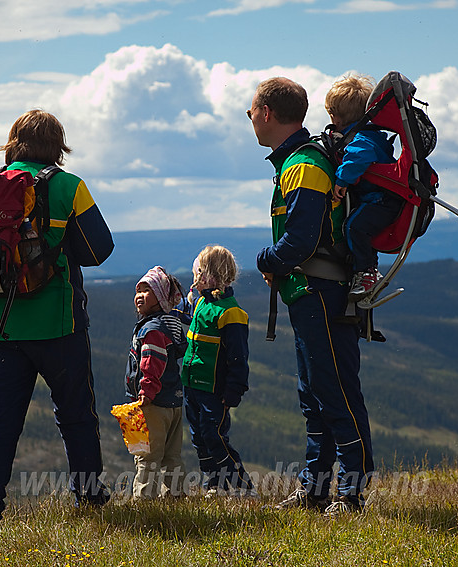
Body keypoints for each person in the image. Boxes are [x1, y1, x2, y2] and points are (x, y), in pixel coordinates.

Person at [0, 109, 114, 521]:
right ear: (57, 147)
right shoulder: (69, 185)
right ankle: (88, 499)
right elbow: (99, 250)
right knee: (75, 414)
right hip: (58, 324)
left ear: (13, 142)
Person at [251, 77, 374, 516]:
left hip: (321, 293)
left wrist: (267, 260)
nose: (250, 117)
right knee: (315, 394)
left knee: (335, 392)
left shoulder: (304, 164)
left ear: (267, 113)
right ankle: (315, 489)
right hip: (313, 293)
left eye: (252, 110)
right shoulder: (303, 161)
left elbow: (300, 241)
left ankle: (351, 493)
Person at [181, 245, 254, 497]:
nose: (194, 279)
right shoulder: (200, 303)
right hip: (192, 385)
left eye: (198, 273)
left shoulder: (230, 312)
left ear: (212, 277)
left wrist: (235, 389)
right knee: (199, 437)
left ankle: (242, 487)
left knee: (215, 436)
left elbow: (238, 357)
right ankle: (215, 484)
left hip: (214, 389)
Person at [325, 74, 399, 300]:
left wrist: (341, 179)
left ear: (334, 116)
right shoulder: (372, 135)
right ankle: (363, 271)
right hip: (384, 201)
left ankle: (367, 273)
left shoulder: (360, 139)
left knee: (354, 227)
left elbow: (359, 156)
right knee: (359, 228)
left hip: (381, 201)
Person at [124, 266, 188, 499]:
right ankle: (174, 496)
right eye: (138, 290)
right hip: (174, 402)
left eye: (147, 290)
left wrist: (146, 391)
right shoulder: (170, 325)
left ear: (160, 298)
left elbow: (152, 362)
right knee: (172, 455)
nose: (140, 295)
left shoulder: (151, 330)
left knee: (147, 455)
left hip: (153, 404)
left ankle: (144, 502)